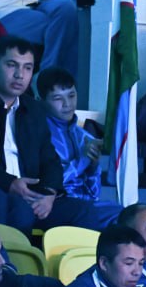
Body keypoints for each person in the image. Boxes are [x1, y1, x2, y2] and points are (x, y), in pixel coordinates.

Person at [0, 35, 118, 234]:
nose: (20, 75)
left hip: (33, 195)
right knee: (19, 211)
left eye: (27, 68)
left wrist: (50, 193)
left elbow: (50, 161)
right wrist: (9, 184)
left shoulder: (34, 110)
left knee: (84, 212)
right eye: (12, 65)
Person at [39, 68, 105, 207]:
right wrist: (82, 160)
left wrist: (93, 167)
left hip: (84, 206)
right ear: (41, 101)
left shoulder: (85, 137)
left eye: (71, 95)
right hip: (53, 204)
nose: (67, 104)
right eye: (58, 98)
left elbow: (94, 195)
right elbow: (46, 184)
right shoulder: (38, 135)